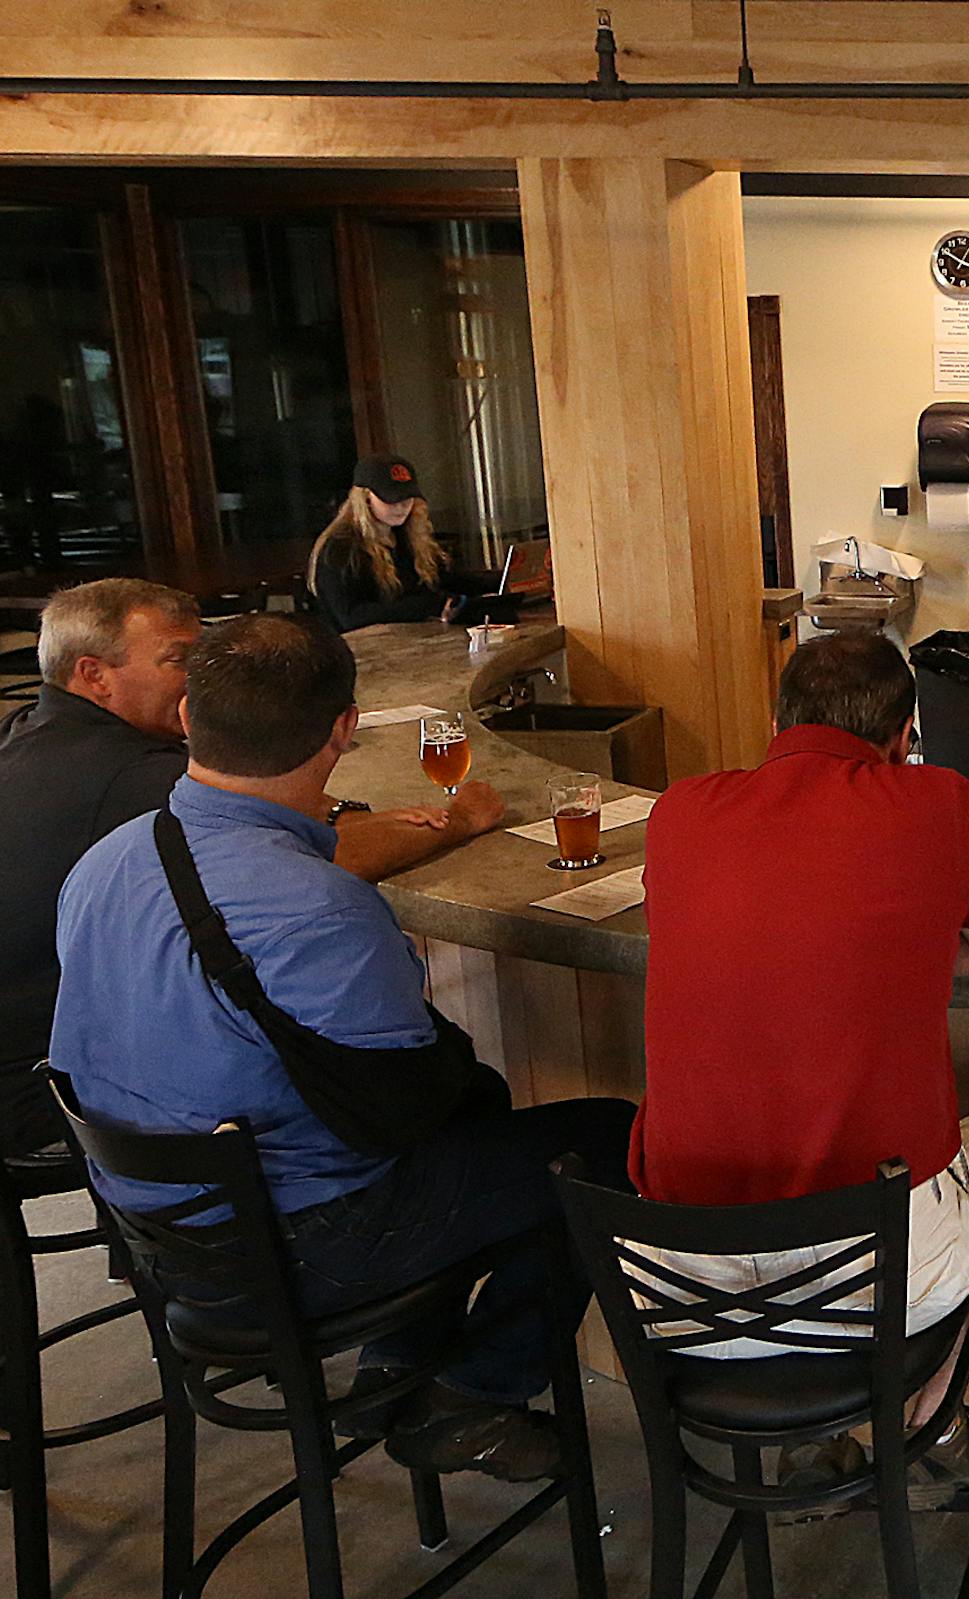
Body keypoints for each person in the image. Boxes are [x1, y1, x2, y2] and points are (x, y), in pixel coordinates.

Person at [50, 613, 635, 1480]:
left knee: (479, 1132)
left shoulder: (103, 864)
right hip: (288, 1251)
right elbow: (411, 1108)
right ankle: (474, 1389)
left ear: (187, 719)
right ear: (343, 731)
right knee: (599, 1144)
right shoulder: (319, 908)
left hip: (165, 1243)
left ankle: (399, 1371)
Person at [635, 630, 969, 1504]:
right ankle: (932, 1410)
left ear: (775, 719)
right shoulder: (936, 803)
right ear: (905, 735)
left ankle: (817, 1436)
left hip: (685, 1287)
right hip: (875, 1278)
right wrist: (902, 956)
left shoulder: (678, 812)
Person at [0, 578, 502, 1158]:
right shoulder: (130, 780)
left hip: (96, 1085)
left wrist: (357, 813)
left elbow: (276, 830)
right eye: (178, 660)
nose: (199, 675)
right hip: (62, 1095)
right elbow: (308, 861)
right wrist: (457, 822)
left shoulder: (27, 736)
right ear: (94, 675)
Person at [307, 455, 462, 633]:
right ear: (365, 499)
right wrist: (426, 606)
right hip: (356, 649)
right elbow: (351, 617)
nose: (402, 506)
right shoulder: (339, 548)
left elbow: (442, 579)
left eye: (408, 497)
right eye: (391, 499)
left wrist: (493, 582)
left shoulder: (404, 535)